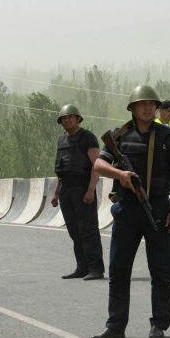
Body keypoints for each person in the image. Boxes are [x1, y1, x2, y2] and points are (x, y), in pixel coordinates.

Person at [91, 85, 170, 338]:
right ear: (132, 107)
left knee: (161, 270)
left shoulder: (168, 137)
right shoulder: (119, 135)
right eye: (142, 104)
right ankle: (115, 325)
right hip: (127, 209)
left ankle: (159, 324)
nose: (147, 108)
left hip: (157, 208)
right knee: (119, 270)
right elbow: (99, 164)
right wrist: (120, 174)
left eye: (151, 104)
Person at [50, 104, 105, 280]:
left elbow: (96, 166)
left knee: (88, 229)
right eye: (64, 119)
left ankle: (96, 269)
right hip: (66, 190)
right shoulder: (61, 141)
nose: (67, 120)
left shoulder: (87, 137)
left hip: (83, 189)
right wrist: (56, 193)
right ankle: (82, 267)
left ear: (77, 119)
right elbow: (62, 169)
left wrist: (90, 190)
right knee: (74, 230)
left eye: (70, 117)